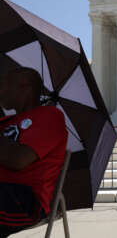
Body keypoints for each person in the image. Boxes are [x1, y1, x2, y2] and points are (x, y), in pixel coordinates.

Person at [0, 67, 67, 237]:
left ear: (25, 86)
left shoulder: (50, 116)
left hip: (24, 200)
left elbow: (18, 160)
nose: (1, 90)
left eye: (5, 84)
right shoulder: (5, 121)